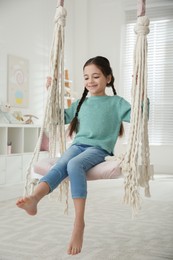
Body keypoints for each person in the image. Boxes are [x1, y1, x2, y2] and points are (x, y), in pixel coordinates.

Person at [16, 56, 131, 256]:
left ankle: (79, 223)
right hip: (78, 145)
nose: (90, 81)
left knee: (74, 165)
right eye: (86, 77)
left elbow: (140, 116)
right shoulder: (80, 103)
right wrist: (51, 94)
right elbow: (58, 117)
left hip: (99, 149)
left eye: (96, 76)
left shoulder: (116, 103)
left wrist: (141, 90)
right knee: (61, 164)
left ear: (109, 78)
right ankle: (35, 198)